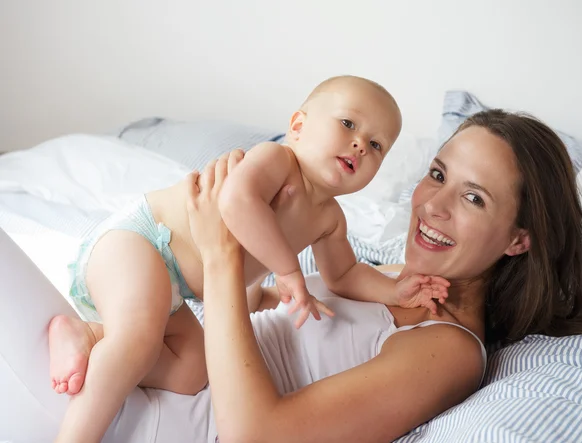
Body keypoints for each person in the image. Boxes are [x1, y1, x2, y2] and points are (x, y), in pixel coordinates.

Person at [2, 109, 582, 443]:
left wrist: (220, 255)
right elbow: (270, 310)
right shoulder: (392, 276)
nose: (433, 207)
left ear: (521, 240)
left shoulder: (450, 350)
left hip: (133, 424)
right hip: (120, 377)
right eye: (438, 174)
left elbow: (256, 436)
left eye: (474, 198)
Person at [48, 75, 450, 443]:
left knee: (193, 371)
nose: (361, 143)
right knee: (137, 339)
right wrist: (288, 269)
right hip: (142, 242)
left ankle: (91, 335)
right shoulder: (277, 161)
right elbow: (236, 202)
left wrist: (396, 290)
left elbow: (343, 274)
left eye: (376, 145)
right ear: (298, 126)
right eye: (348, 124)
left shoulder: (329, 218)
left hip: (172, 287)